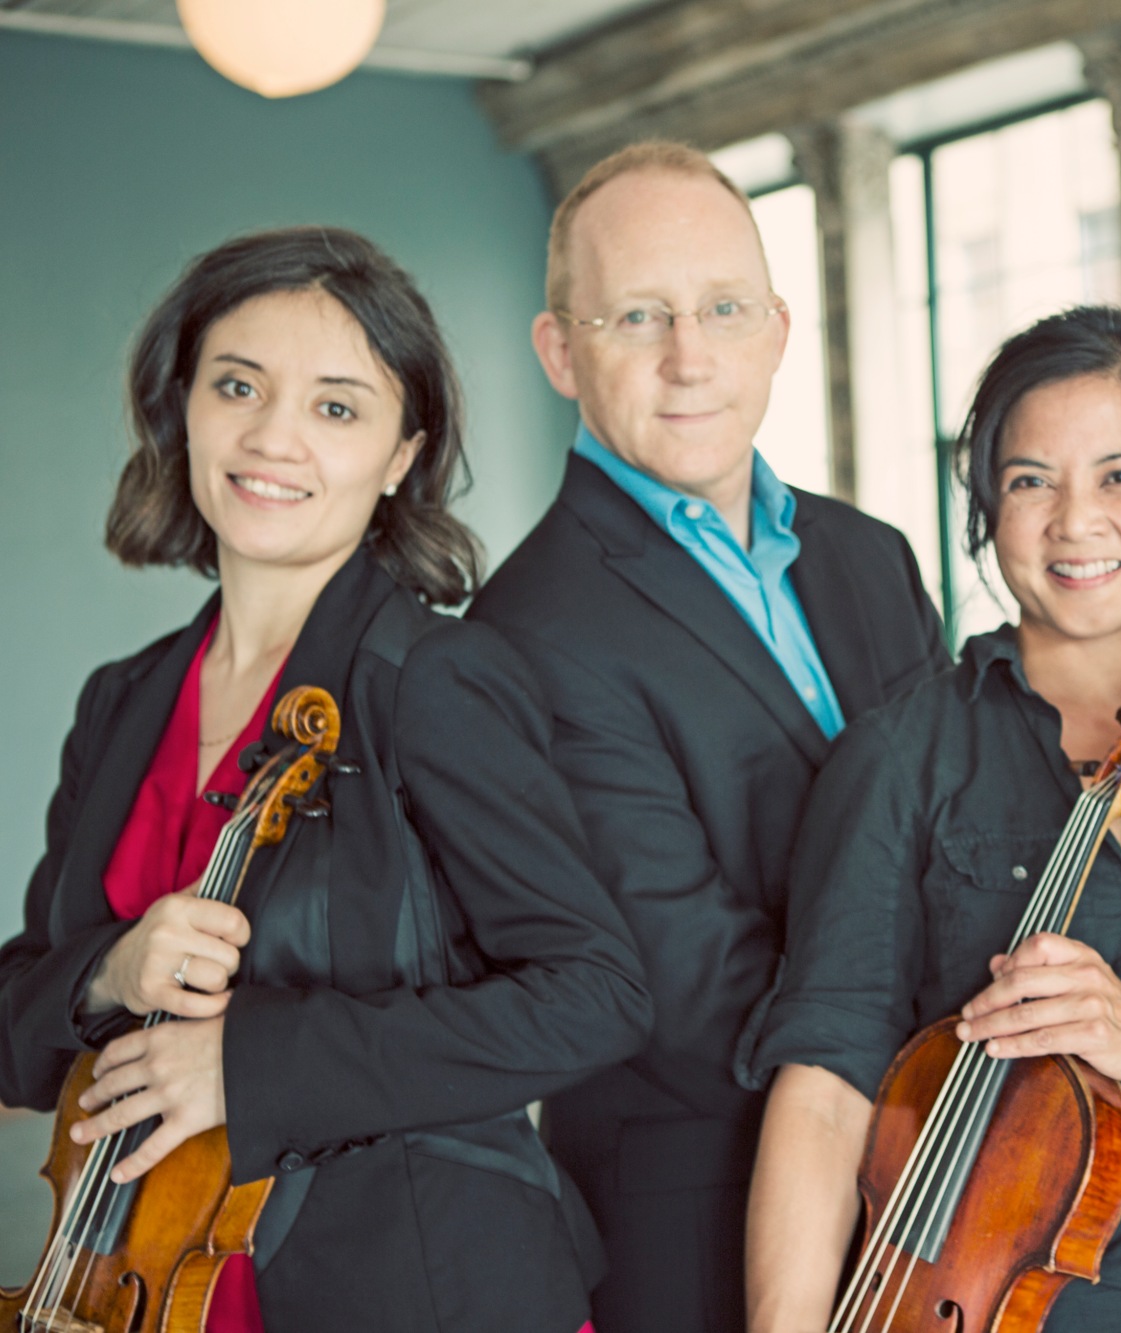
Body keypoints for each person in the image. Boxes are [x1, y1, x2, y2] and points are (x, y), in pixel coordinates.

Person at [0, 227, 651, 1332]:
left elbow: (592, 995)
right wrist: (110, 968)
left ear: (401, 454)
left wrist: (249, 1069)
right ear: (183, 407)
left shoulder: (436, 680)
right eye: (238, 386)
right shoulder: (123, 699)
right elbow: (17, 1028)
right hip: (144, 1287)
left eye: (337, 407)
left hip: (416, 1288)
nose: (273, 439)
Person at [743, 306, 1121, 1333]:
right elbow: (826, 1088)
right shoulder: (901, 758)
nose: (1074, 522)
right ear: (983, 510)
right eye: (1028, 482)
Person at [469, 140, 948, 1331]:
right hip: (701, 1215)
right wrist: (927, 1086)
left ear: (778, 329)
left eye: (723, 309)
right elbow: (675, 979)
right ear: (559, 351)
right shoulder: (524, 631)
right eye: (639, 316)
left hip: (941, 1176)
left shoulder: (869, 557)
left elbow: (962, 832)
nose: (690, 357)